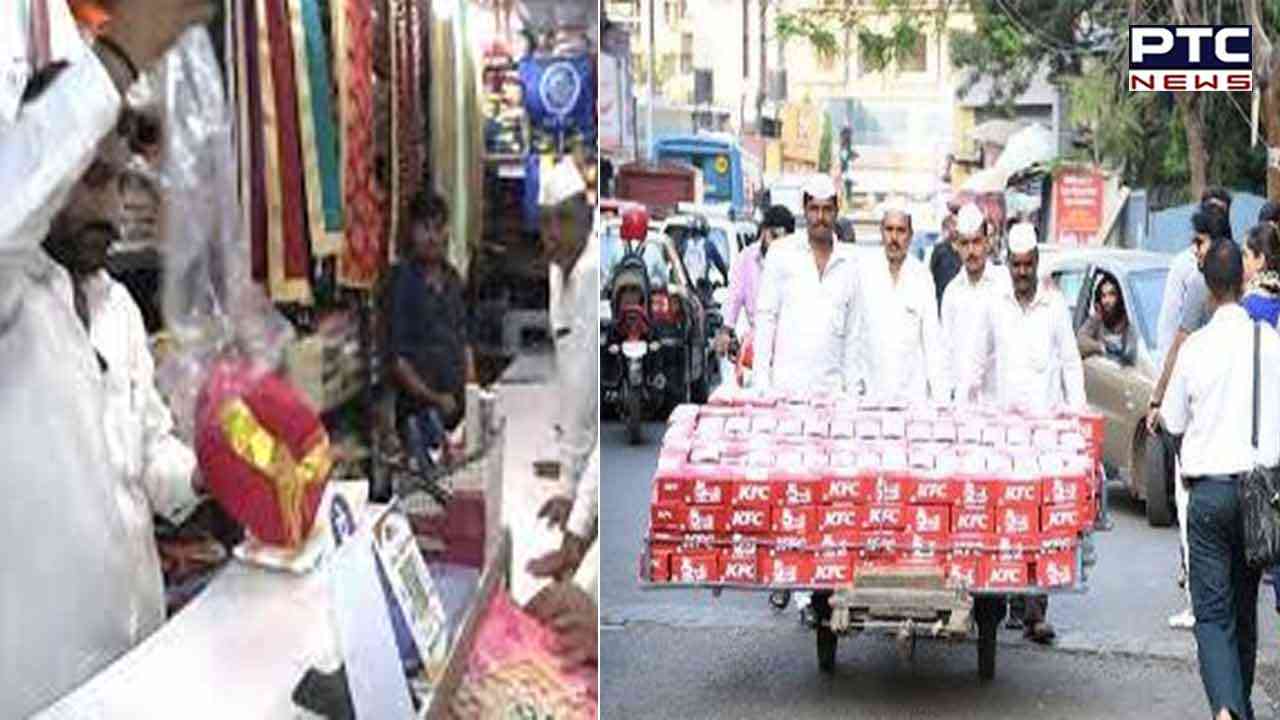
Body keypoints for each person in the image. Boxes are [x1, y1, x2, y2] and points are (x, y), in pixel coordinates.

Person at [0, 0, 214, 715]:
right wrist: (124, 52)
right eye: (92, 179)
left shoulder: (118, 309)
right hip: (41, 686)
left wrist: (213, 468)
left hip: (139, 659)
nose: (114, 208)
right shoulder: (13, 303)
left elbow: (148, 463)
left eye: (122, 182)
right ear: (50, 174)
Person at [1157, 238, 1278, 720]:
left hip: (1208, 496)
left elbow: (1173, 422)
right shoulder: (1270, 343)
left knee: (1212, 615)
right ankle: (1239, 707)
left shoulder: (1197, 348)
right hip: (1258, 494)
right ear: (1244, 280)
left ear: (1208, 288)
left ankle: (1227, 711)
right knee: (1245, 611)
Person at [959, 222, 1085, 644]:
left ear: (1037, 264)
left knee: (1040, 522)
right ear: (1008, 264)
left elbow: (1069, 362)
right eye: (1016, 265)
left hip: (1045, 432)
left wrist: (1077, 415)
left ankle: (1034, 610)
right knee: (1003, 519)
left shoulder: (1054, 306)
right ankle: (1000, 598)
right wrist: (964, 413)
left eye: (1029, 265)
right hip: (1001, 432)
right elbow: (976, 362)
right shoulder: (994, 303)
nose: (1023, 272)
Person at [1149, 204, 1234, 630]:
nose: (1194, 252)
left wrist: (1157, 400)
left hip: (1202, 430)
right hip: (1240, 439)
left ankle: (1200, 604)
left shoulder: (1202, 290)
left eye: (1198, 243)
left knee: (1193, 521)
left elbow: (1179, 347)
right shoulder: (1245, 292)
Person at [535, 157, 599, 578]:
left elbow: (596, 418)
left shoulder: (594, 274)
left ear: (586, 219)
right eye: (545, 223)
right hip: (584, 469)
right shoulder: (559, 273)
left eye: (563, 220)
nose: (552, 235)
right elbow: (571, 392)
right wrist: (564, 482)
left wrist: (575, 533)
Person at [753, 174, 866, 395]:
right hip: (785, 392)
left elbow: (854, 334)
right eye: (814, 208)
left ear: (837, 211)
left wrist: (852, 390)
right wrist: (761, 382)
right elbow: (766, 319)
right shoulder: (781, 253)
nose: (820, 217)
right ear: (804, 210)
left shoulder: (851, 262)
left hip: (833, 394)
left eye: (827, 209)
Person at [387, 191, 472, 472]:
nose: (432, 237)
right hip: (418, 415)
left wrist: (471, 392)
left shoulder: (453, 279)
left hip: (457, 415)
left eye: (438, 228)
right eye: (425, 228)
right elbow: (398, 359)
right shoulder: (401, 282)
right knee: (426, 497)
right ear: (411, 232)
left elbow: (464, 339)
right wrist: (434, 399)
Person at [859, 206, 947, 404]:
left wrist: (940, 399)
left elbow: (932, 342)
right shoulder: (865, 273)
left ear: (910, 235)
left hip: (913, 399)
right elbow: (856, 336)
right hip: (873, 395)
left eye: (900, 230)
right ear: (881, 232)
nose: (894, 238)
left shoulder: (921, 276)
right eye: (889, 230)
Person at [1240, 220, 1280, 614]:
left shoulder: (1248, 311)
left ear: (1261, 259)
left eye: (1248, 255)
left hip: (1261, 441)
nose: (1244, 263)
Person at [940, 203, 1009, 402]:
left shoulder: (1004, 284)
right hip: (963, 405)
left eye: (977, 242)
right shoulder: (952, 293)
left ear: (987, 242)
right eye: (965, 243)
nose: (971, 251)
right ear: (956, 246)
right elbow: (946, 351)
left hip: (1000, 401)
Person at [714, 204, 794, 357]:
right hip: (757, 345)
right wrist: (726, 330)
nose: (777, 245)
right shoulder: (746, 258)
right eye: (774, 236)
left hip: (790, 347)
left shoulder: (798, 261)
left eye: (784, 241)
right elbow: (734, 298)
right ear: (763, 231)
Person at [1076, 273, 1138, 365]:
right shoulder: (1098, 319)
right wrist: (1101, 347)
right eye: (1103, 296)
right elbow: (1080, 341)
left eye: (1111, 294)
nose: (1107, 301)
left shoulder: (1131, 319)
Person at [929, 210, 963, 310]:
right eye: (953, 225)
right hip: (942, 298)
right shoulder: (940, 249)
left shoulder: (963, 249)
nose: (956, 228)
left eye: (957, 225)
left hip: (959, 300)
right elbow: (932, 271)